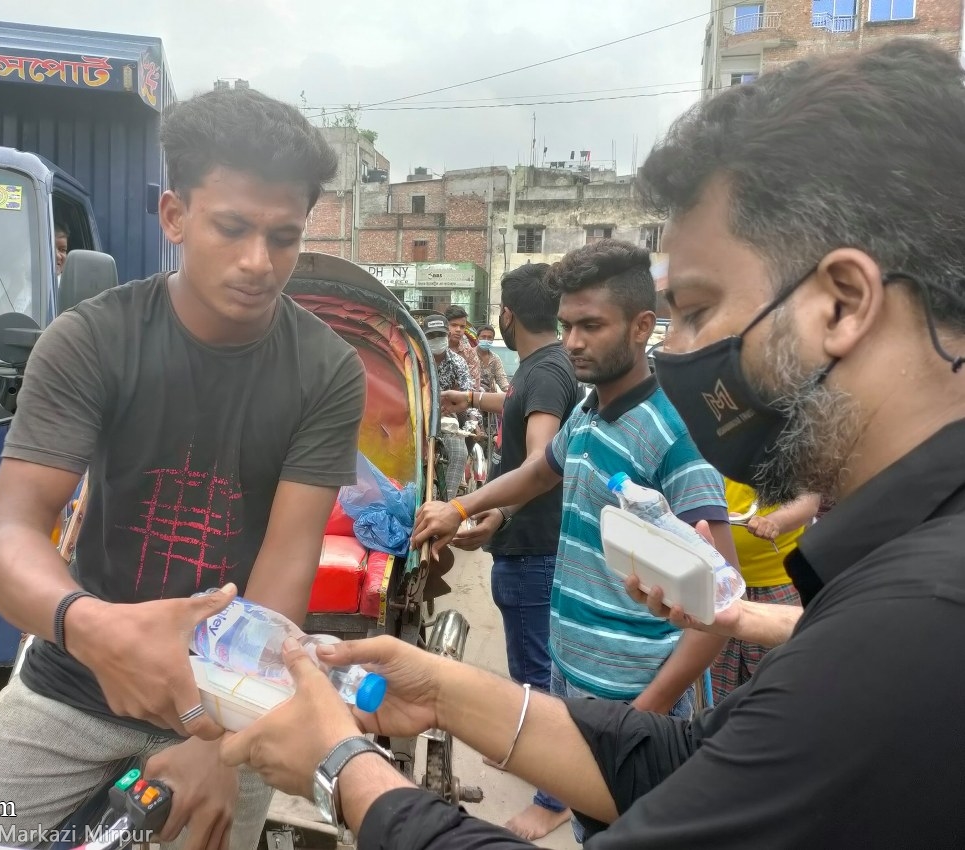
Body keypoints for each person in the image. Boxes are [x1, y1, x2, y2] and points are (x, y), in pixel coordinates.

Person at [218, 38, 965, 848]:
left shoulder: (915, 628)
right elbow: (688, 760)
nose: (679, 350)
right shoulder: (890, 581)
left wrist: (343, 769)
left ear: (842, 302)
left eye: (700, 310)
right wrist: (444, 690)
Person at [0, 86, 366, 850]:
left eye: (284, 237)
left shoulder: (326, 371)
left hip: (235, 704)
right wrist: (89, 626)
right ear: (174, 216)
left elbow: (283, 569)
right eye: (231, 228)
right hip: (72, 684)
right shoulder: (92, 340)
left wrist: (219, 746)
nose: (259, 262)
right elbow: (9, 536)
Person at [429, 239, 737, 843]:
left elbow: (723, 605)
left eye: (590, 326)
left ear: (643, 325)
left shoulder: (675, 435)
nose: (572, 342)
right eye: (567, 325)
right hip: (575, 677)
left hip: (635, 694)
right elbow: (544, 468)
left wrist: (645, 712)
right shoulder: (592, 411)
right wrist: (463, 504)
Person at [441, 263, 578, 828]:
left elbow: (540, 462)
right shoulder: (541, 369)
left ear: (506, 315)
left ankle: (555, 797)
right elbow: (519, 405)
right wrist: (468, 395)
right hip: (530, 545)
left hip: (534, 547)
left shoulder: (545, 375)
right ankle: (535, 758)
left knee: (535, 672)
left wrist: (486, 509)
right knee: (529, 666)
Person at [709, 482, 818, 703]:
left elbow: (809, 501)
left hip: (778, 589)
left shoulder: (789, 448)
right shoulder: (708, 450)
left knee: (781, 682)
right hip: (720, 585)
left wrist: (774, 521)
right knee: (719, 687)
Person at [425, 312, 480, 499]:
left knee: (459, 452)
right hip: (416, 417)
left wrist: (471, 423)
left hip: (447, 417)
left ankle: (446, 503)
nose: (437, 340)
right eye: (431, 336)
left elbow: (469, 393)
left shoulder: (458, 362)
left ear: (446, 337)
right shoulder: (415, 360)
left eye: (440, 335)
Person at [444, 304, 482, 388]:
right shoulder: (437, 349)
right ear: (445, 325)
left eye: (462, 327)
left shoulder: (469, 352)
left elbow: (474, 385)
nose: (458, 330)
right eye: (454, 325)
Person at [476, 324, 510, 392]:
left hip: (489, 398)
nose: (486, 340)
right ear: (477, 338)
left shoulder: (495, 358)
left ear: (492, 339)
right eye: (483, 337)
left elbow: (501, 378)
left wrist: (509, 392)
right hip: (471, 396)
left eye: (489, 337)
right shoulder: (469, 354)